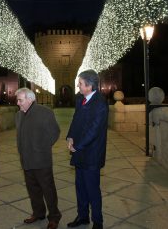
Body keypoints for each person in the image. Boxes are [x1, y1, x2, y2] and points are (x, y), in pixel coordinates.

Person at [66, 70, 108, 229]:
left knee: (92, 190)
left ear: (90, 86)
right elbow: (76, 120)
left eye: (81, 83)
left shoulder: (100, 103)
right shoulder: (80, 99)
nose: (78, 85)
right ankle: (83, 217)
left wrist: (77, 145)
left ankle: (98, 222)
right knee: (80, 187)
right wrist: (70, 137)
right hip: (79, 151)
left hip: (91, 154)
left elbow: (94, 130)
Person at [15, 88, 61, 229]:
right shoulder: (18, 115)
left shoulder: (45, 112)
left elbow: (55, 132)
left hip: (41, 160)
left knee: (48, 190)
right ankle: (38, 212)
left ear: (30, 99)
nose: (18, 103)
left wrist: (41, 148)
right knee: (33, 189)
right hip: (26, 159)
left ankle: (54, 216)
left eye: (20, 100)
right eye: (18, 100)